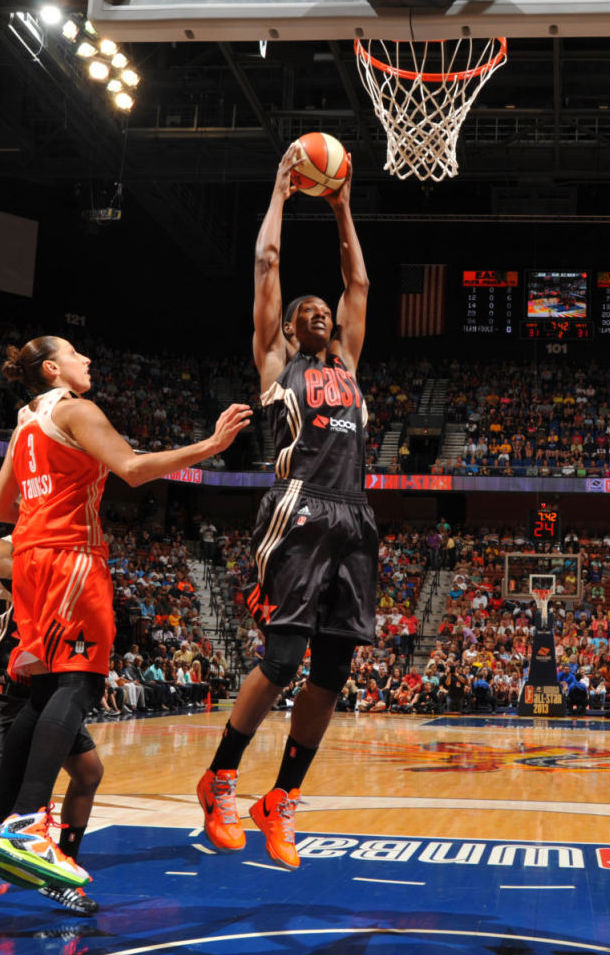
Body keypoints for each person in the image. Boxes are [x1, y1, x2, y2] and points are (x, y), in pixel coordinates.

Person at [0, 335, 251, 895]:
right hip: (71, 556)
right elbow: (134, 469)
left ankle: (13, 823)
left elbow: (3, 505)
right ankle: (24, 822)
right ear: (51, 368)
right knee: (84, 684)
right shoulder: (75, 409)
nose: (86, 359)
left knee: (43, 693)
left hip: (30, 559)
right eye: (74, 353)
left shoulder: (24, 422)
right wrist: (209, 445)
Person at [197, 143, 377, 870]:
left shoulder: (349, 365)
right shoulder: (279, 364)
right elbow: (268, 266)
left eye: (322, 312)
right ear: (290, 329)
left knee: (333, 668)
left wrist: (340, 204)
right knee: (281, 657)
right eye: (307, 313)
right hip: (298, 506)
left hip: (355, 514)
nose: (319, 315)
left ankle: (282, 797)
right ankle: (222, 775)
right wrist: (280, 189)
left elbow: (357, 279)